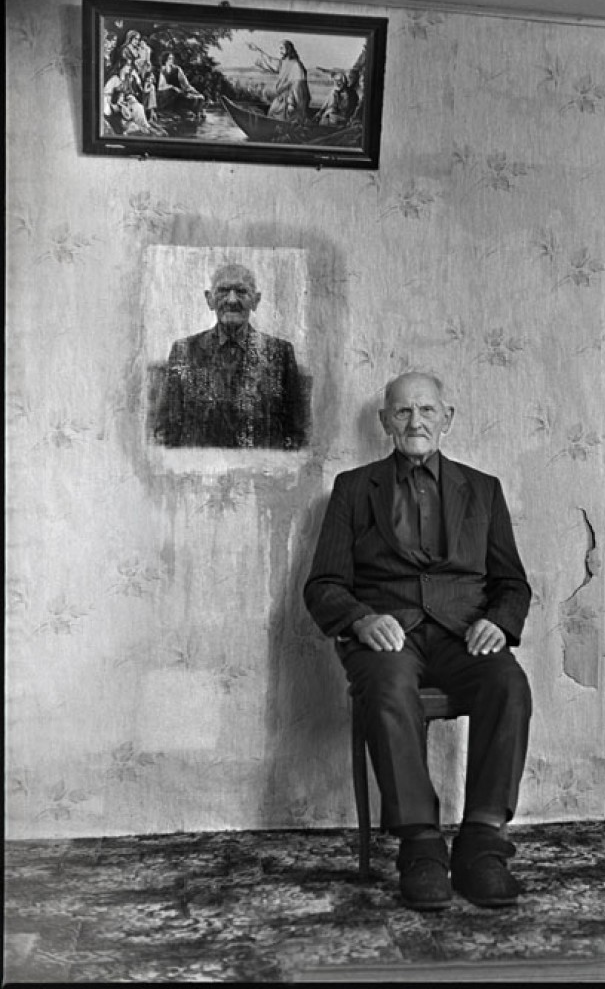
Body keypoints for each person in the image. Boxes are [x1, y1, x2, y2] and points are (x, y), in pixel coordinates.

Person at [303, 372, 533, 911]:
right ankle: (421, 846)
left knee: (509, 684)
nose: (415, 422)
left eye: (427, 410)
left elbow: (512, 583)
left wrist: (498, 622)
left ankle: (482, 843)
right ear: (384, 420)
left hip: (463, 635)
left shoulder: (484, 489)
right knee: (386, 686)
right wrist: (360, 620)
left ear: (446, 419)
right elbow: (324, 584)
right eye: (403, 411)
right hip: (388, 635)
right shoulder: (353, 488)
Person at [155, 263, 306, 449]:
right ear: (209, 299)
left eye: (241, 291)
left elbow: (296, 432)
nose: (232, 300)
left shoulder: (280, 353)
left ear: (256, 300)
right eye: (223, 291)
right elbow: (165, 431)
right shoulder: (184, 351)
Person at [253, 40, 311, 123]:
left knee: (284, 120)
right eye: (279, 49)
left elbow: (297, 86)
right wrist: (258, 50)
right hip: (280, 98)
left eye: (282, 48)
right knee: (272, 114)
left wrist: (291, 102)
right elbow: (271, 62)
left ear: (288, 49)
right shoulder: (283, 63)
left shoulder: (296, 65)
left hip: (290, 100)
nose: (280, 51)